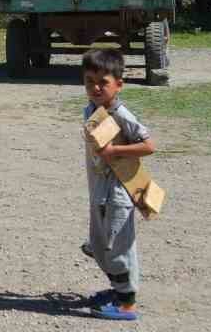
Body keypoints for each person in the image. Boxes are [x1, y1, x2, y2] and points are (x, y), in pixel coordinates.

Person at [80, 48, 156, 322]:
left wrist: (115, 152)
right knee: (100, 246)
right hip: (100, 192)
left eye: (103, 82)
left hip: (117, 194)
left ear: (119, 84)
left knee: (118, 248)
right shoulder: (93, 109)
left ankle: (126, 304)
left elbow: (149, 146)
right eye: (89, 81)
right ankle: (117, 291)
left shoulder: (121, 114)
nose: (96, 87)